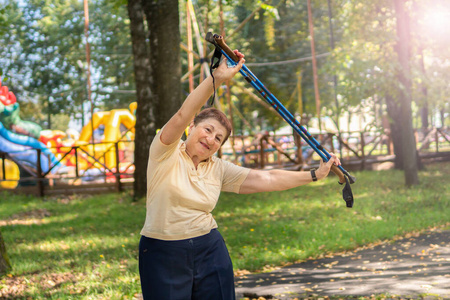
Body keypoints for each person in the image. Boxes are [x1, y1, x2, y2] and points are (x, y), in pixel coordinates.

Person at [138, 50, 341, 300]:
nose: (211, 139)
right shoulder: (164, 152)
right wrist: (216, 79)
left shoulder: (218, 168)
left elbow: (265, 179)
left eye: (218, 138)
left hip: (209, 249)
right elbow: (182, 113)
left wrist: (313, 175)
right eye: (207, 130)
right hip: (162, 252)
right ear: (192, 128)